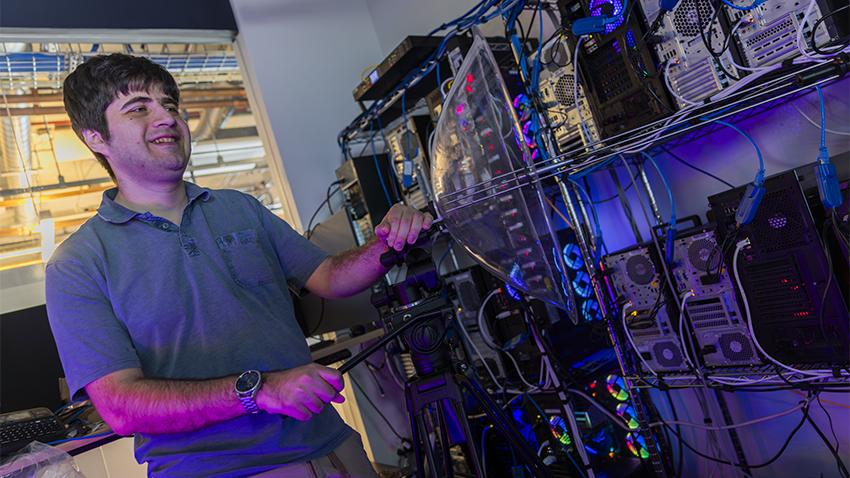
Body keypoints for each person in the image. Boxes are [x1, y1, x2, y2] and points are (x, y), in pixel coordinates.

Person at [46, 53, 432, 477]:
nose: (166, 117)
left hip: (332, 449)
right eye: (139, 108)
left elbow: (330, 277)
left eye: (170, 105)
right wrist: (258, 390)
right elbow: (122, 406)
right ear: (96, 138)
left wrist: (390, 240)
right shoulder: (78, 264)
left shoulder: (240, 209)